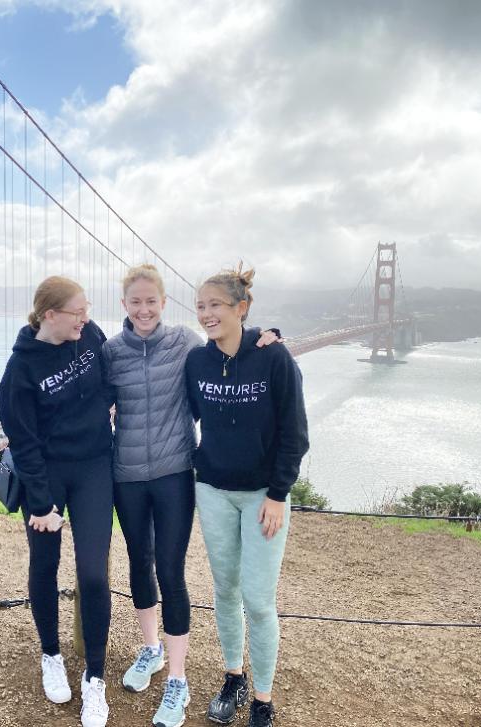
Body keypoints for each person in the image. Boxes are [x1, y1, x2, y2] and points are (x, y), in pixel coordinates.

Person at [103, 264, 280, 727]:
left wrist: (266, 334)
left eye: (151, 301)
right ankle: (151, 650)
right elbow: (85, 391)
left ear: (164, 303)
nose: (143, 309)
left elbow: (230, 348)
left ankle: (177, 681)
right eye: (134, 302)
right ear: (124, 306)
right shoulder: (110, 351)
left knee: (170, 569)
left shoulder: (185, 343)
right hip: (126, 474)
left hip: (175, 472)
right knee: (138, 562)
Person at [184, 264, 308, 727]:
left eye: (216, 305)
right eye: (200, 306)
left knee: (258, 599)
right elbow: (192, 416)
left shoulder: (274, 357)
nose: (207, 314)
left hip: (262, 496)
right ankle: (233, 677)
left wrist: (278, 494)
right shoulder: (197, 361)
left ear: (242, 307)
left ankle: (262, 699)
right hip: (213, 489)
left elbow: (295, 433)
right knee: (225, 590)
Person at [0, 275, 115, 727]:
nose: (86, 319)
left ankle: (95, 680)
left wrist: (105, 405)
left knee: (92, 572)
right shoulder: (19, 372)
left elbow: (110, 372)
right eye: (77, 312)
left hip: (92, 468)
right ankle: (51, 654)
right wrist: (42, 505)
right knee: (44, 565)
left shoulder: (90, 336)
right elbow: (23, 443)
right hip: (45, 476)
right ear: (50, 315)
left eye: (87, 310)